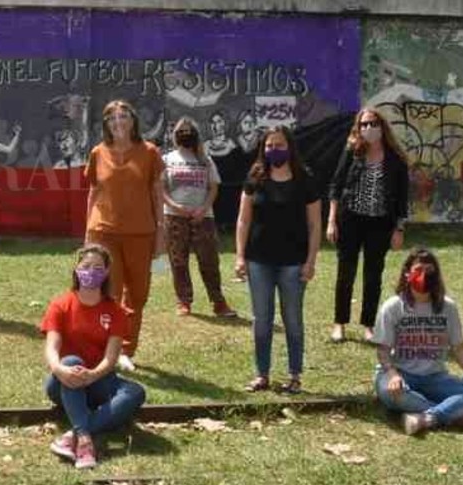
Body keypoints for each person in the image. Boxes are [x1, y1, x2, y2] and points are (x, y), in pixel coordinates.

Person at [41, 244, 147, 469]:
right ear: (76, 269)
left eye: (98, 267)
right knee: (71, 361)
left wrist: (92, 375)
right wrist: (59, 369)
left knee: (135, 392)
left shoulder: (115, 311)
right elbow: (52, 348)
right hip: (62, 381)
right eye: (86, 266)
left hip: (98, 380)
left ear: (107, 272)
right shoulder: (60, 305)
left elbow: (111, 358)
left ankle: (74, 434)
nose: (91, 272)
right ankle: (86, 440)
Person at [235, 126, 321, 394]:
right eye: (270, 146)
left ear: (290, 146)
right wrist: (239, 256)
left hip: (293, 263)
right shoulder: (255, 177)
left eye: (280, 144)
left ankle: (295, 375)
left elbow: (315, 225)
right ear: (263, 149)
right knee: (262, 320)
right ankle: (262, 374)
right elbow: (243, 219)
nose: (275, 150)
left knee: (292, 319)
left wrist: (311, 261)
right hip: (259, 260)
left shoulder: (305, 179)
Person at [372, 248, 463, 435]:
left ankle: (427, 418)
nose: (424, 275)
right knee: (392, 393)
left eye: (430, 270)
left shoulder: (447, 307)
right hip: (400, 376)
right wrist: (392, 374)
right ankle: (457, 413)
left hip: (435, 377)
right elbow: (383, 350)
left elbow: (458, 347)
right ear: (407, 274)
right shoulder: (393, 306)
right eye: (419, 269)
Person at [84, 100, 164, 371]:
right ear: (106, 124)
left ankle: (126, 349)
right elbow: (93, 192)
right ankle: (109, 349)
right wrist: (88, 232)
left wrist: (161, 230)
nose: (118, 121)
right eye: (112, 117)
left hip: (141, 232)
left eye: (124, 115)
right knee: (109, 293)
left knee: (137, 295)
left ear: (133, 120)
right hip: (104, 232)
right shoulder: (97, 152)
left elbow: (156, 193)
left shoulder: (150, 152)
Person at [328, 108, 410, 342]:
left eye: (372, 124)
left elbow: (402, 198)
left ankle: (368, 325)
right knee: (346, 272)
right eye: (363, 125)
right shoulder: (353, 151)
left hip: (380, 223)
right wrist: (332, 220)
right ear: (358, 128)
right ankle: (339, 323)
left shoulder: (396, 159)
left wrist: (399, 228)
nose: (368, 129)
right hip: (350, 219)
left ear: (382, 126)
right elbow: (336, 185)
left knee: (373, 274)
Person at [161, 118, 235, 318]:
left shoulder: (206, 159)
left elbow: (213, 187)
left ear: (196, 134)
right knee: (178, 260)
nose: (185, 134)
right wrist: (176, 206)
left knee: (209, 260)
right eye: (181, 131)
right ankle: (184, 301)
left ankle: (218, 302)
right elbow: (161, 189)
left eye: (189, 131)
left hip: (204, 217)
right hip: (174, 217)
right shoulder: (167, 159)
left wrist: (203, 209)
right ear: (175, 136)